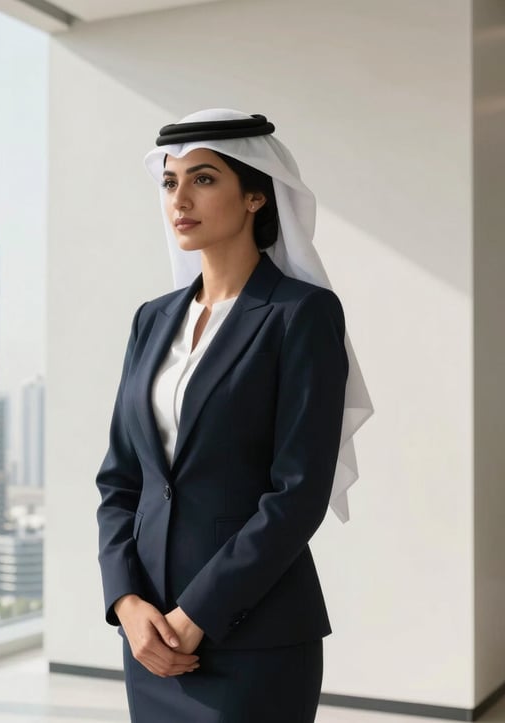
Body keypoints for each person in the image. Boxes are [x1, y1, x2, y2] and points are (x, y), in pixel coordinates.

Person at [95, 109, 373, 723]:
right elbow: (121, 479)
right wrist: (125, 601)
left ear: (255, 195)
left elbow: (297, 493)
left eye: (203, 179)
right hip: (149, 639)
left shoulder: (301, 314)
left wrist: (197, 616)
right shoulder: (152, 318)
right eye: (170, 183)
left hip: (254, 637)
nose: (180, 199)